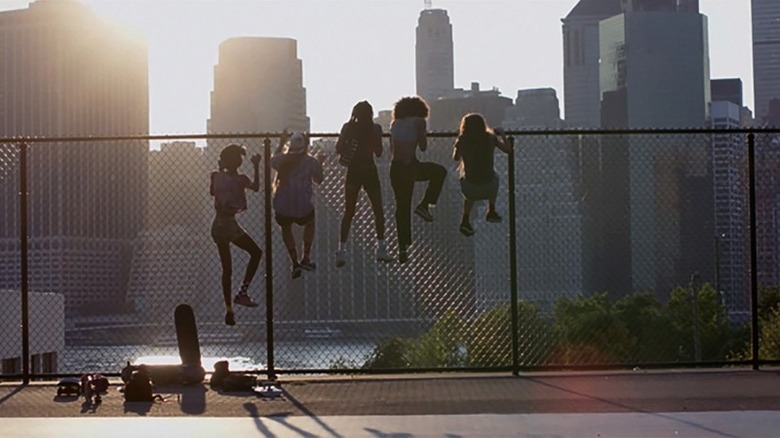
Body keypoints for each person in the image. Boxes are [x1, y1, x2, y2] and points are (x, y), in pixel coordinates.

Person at [335, 100, 393, 267]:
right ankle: (381, 247)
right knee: (378, 210)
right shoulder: (375, 129)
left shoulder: (348, 128)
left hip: (353, 171)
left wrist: (349, 144)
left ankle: (341, 250)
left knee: (349, 211)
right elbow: (379, 152)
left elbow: (338, 148)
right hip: (369, 170)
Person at [210, 144, 263, 326]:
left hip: (217, 225)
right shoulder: (241, 179)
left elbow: (212, 191)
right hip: (230, 226)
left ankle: (229, 309)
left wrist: (219, 168)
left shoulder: (215, 176)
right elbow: (256, 187)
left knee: (227, 270)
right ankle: (243, 292)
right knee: (256, 253)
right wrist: (256, 165)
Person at [389, 95, 446, 263]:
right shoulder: (418, 122)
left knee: (402, 206)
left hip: (395, 168)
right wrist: (422, 133)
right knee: (440, 172)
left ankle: (402, 247)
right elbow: (423, 147)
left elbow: (393, 149)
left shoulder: (395, 123)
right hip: (411, 166)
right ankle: (425, 204)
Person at [271, 131, 324, 278]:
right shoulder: (311, 162)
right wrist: (320, 163)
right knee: (310, 222)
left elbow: (272, 160)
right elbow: (319, 179)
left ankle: (294, 262)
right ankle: (305, 256)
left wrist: (281, 143)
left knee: (286, 228)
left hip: (283, 205)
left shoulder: (281, 160)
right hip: (303, 207)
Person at [452, 113, 512, 236]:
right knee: (494, 176)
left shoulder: (463, 139)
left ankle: (465, 219)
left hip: (470, 189)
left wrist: (460, 144)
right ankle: (491, 209)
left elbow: (455, 158)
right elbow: (508, 150)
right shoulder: (490, 138)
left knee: (468, 182)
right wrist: (502, 135)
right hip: (489, 187)